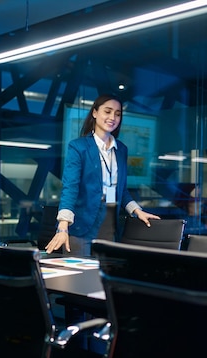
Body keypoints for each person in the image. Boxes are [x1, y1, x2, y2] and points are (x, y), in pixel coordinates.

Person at [45, 94, 160, 256]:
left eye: (117, 114)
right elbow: (70, 187)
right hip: (82, 224)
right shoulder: (79, 147)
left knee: (105, 275)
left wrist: (136, 210)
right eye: (107, 111)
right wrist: (63, 227)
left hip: (110, 222)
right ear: (95, 113)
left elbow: (120, 189)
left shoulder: (121, 150)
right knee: (80, 276)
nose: (112, 117)